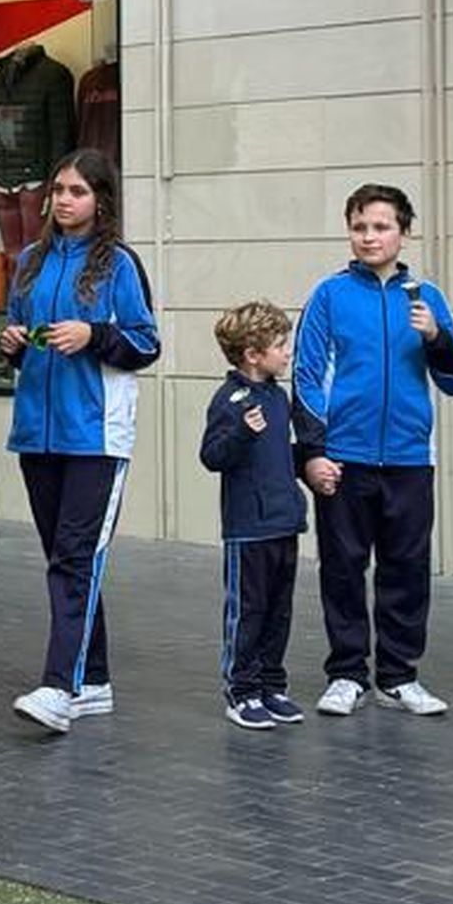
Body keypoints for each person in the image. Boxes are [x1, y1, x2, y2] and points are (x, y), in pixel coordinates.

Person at [294, 183, 453, 718]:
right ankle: (347, 673)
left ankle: (398, 677)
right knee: (343, 567)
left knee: (407, 568)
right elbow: (305, 377)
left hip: (410, 459)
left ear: (403, 231)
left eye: (380, 226)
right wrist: (312, 453)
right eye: (359, 227)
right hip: (343, 459)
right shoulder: (329, 295)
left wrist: (436, 336)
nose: (369, 237)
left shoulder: (426, 297)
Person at [0, 152, 159, 734]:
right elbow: (14, 343)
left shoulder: (118, 264)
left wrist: (95, 335)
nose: (64, 200)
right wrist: (14, 343)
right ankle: (93, 681)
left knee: (73, 559)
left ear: (102, 201)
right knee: (68, 561)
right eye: (60, 189)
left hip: (96, 435)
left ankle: (59, 687)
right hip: (38, 434)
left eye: (78, 191)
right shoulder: (31, 262)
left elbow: (146, 343)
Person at [199, 302, 309, 731]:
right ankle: (241, 691)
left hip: (284, 523)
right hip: (248, 529)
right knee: (249, 610)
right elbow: (211, 456)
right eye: (280, 345)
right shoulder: (229, 400)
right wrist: (243, 432)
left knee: (279, 611)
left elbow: (286, 454)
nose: (288, 353)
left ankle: (271, 684)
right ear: (252, 353)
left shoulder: (278, 398)